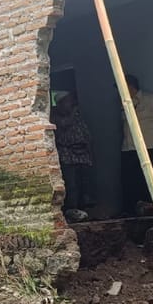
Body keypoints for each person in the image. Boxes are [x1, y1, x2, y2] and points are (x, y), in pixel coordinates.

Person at [120, 73, 153, 216]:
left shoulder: (150, 100)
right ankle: (131, 212)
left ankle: (150, 211)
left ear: (130, 87)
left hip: (149, 147)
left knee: (149, 181)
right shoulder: (124, 102)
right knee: (129, 181)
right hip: (129, 147)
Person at [52, 80, 93, 221]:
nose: (71, 104)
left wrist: (88, 149)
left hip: (82, 155)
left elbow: (86, 133)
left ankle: (83, 210)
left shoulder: (77, 116)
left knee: (84, 183)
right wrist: (73, 113)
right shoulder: (55, 117)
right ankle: (71, 211)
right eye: (68, 102)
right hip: (68, 155)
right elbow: (64, 125)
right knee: (71, 184)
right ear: (61, 104)